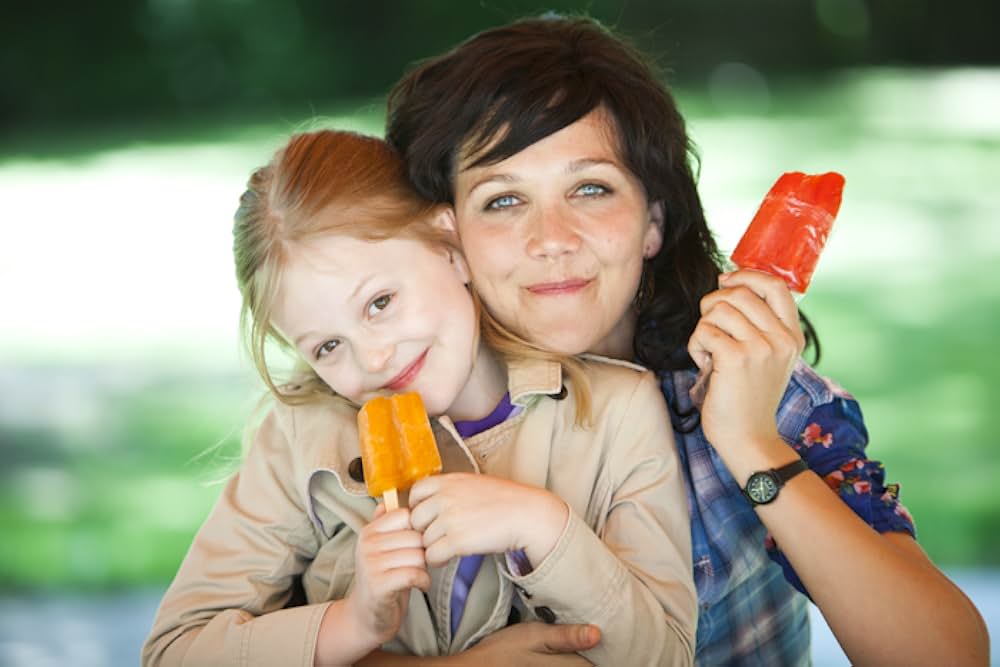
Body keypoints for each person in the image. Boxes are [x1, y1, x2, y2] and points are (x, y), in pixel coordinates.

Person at [384, 14, 990, 666]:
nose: (552, 238)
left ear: (652, 223)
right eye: (503, 200)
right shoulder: (396, 410)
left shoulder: (755, 396)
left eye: (590, 188)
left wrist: (752, 446)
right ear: (451, 238)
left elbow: (947, 653)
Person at [141, 129, 697, 666]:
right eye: (329, 345)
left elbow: (667, 656)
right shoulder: (299, 438)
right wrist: (353, 625)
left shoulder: (617, 411)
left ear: (449, 247)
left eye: (380, 302)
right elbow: (175, 651)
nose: (374, 360)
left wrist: (543, 527)